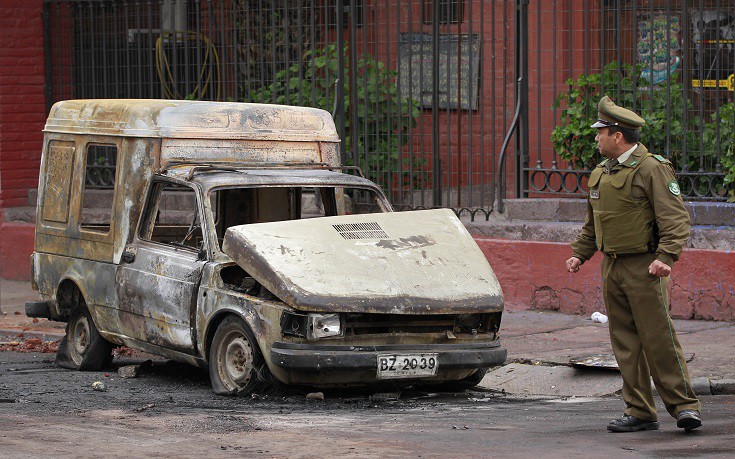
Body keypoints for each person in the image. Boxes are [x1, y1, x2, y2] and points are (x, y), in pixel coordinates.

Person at [565, 95, 702, 432]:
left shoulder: (652, 168)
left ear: (617, 135)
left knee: (658, 338)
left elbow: (675, 218)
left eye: (600, 132)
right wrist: (580, 254)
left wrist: (666, 256)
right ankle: (639, 410)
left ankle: (684, 406)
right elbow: (592, 224)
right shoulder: (601, 173)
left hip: (645, 266)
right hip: (612, 266)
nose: (596, 137)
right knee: (625, 343)